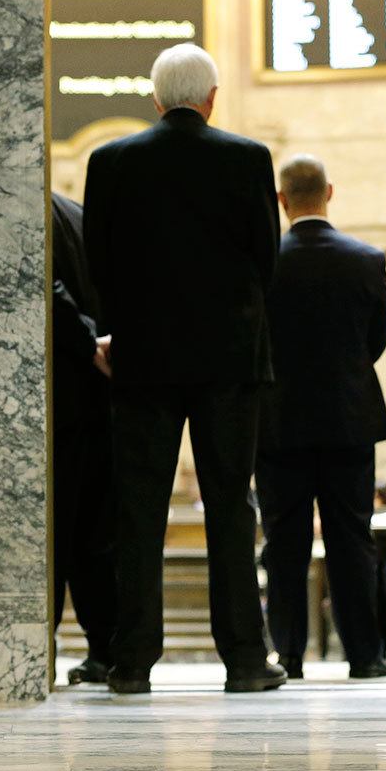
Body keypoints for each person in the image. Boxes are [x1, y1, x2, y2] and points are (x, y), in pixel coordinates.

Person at [83, 43, 286, 694]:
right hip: (230, 360)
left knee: (139, 510)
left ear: (156, 99)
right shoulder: (248, 159)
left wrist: (117, 329)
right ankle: (247, 661)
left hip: (144, 358)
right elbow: (265, 258)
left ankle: (132, 661)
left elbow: (98, 260)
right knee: (232, 504)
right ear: (212, 98)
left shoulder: (110, 161)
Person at [255, 154, 386, 681]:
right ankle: (366, 655)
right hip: (348, 418)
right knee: (351, 537)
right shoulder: (366, 259)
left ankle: (288, 654)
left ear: (281, 200)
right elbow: (375, 339)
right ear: (329, 193)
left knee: (283, 542)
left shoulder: (265, 260)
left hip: (279, 423)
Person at [50, 191, 119, 685]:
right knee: (96, 534)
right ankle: (106, 649)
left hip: (58, 392)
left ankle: (37, 645)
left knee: (54, 529)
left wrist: (83, 339)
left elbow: (46, 287)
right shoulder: (80, 212)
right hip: (101, 395)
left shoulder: (36, 205)